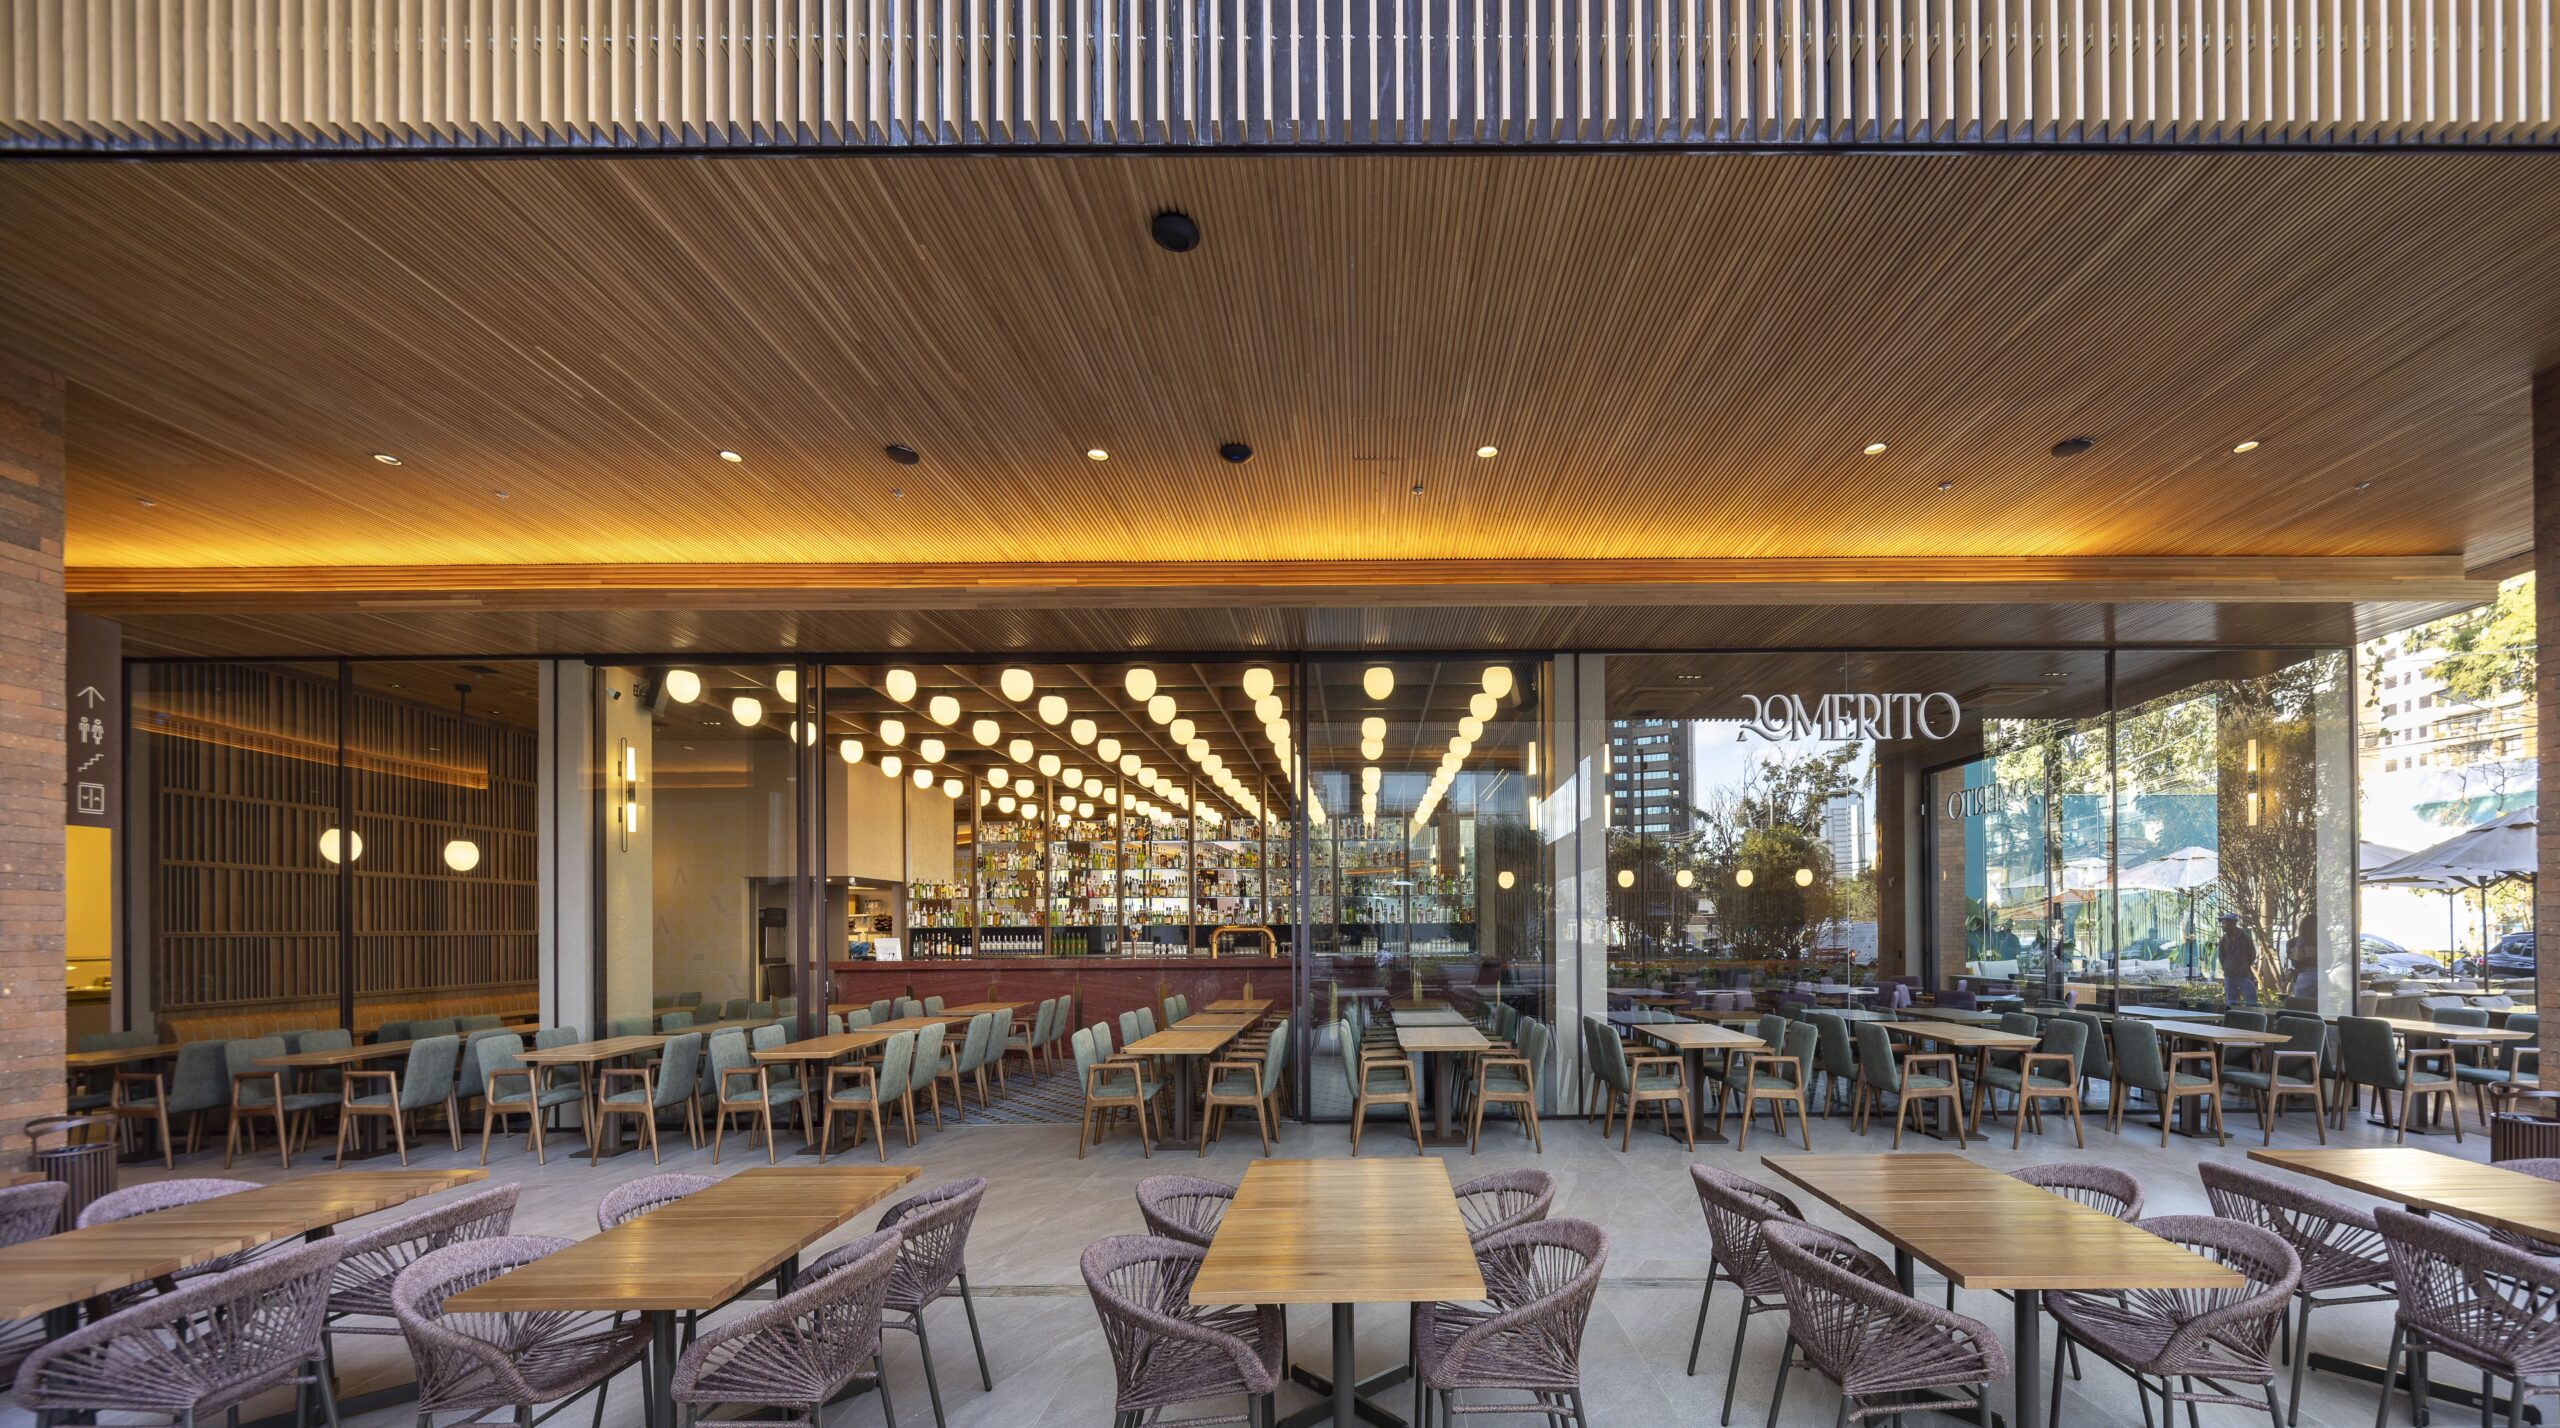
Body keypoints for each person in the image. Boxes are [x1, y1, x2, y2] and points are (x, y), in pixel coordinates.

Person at [2219, 913, 2260, 1007]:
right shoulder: (2223, 940)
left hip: (2243, 974)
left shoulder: (2245, 938)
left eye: (2225, 923)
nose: (2223, 925)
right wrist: (2227, 968)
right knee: (2231, 1002)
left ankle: (2251, 1016)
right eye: (2223, 923)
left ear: (2232, 923)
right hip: (2229, 974)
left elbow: (2252, 954)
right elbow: (2222, 957)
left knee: (2251, 1000)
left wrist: (2244, 966)